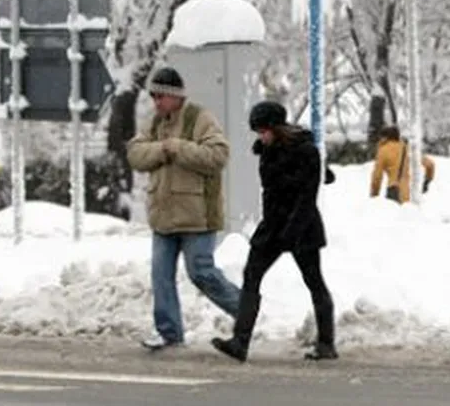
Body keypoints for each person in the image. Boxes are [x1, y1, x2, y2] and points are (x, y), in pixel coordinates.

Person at [211, 101, 337, 363]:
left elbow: (306, 197)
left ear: (278, 128)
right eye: (258, 132)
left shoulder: (305, 151)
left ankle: (326, 343)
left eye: (264, 131)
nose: (261, 136)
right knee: (252, 274)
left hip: (301, 227)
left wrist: (291, 232)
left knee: (313, 281)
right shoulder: (267, 151)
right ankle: (240, 342)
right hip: (272, 225)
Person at [126, 67, 241, 351]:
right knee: (160, 275)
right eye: (153, 96)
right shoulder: (154, 123)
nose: (156, 102)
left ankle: (244, 309)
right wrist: (162, 150)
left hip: (197, 214)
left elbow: (217, 155)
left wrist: (179, 148)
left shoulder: (200, 119)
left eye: (161, 96)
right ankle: (168, 332)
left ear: (176, 96)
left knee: (200, 271)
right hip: (163, 215)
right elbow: (136, 155)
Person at [369, 126, 435, 203]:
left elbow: (377, 176)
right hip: (411, 193)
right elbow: (430, 164)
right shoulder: (407, 149)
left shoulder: (383, 151)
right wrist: (426, 182)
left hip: (394, 192)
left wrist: (374, 195)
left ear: (384, 137)